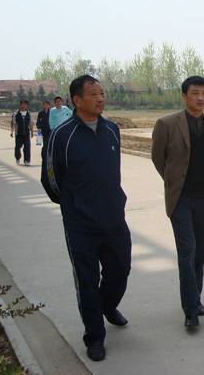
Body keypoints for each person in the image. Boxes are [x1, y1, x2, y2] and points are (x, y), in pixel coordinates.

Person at [41, 75, 132, 362]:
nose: (101, 98)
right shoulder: (62, 135)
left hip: (114, 219)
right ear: (76, 101)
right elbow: (51, 180)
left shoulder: (111, 129)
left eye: (102, 93)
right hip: (81, 225)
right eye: (94, 94)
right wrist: (74, 206)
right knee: (87, 280)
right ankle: (94, 337)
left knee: (120, 270)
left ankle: (107, 305)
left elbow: (114, 172)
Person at [151, 76, 204, 329]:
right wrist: (174, 182)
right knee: (187, 252)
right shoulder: (167, 124)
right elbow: (158, 158)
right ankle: (190, 309)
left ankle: (196, 297)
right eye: (195, 93)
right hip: (181, 200)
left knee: (201, 253)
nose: (201, 98)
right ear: (183, 96)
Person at [10, 99, 34, 166]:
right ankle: (18, 158)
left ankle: (27, 160)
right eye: (23, 104)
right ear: (20, 104)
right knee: (18, 147)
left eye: (26, 104)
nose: (24, 105)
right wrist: (12, 132)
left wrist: (32, 132)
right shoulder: (16, 114)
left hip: (26, 133)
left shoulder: (28, 113)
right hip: (18, 133)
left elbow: (31, 123)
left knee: (27, 147)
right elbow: (13, 123)